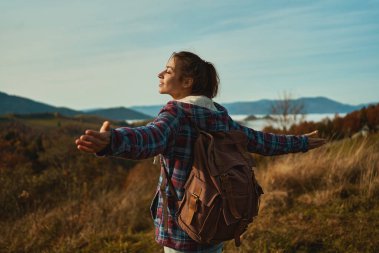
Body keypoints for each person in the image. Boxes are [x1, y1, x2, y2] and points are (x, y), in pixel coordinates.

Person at [75, 51, 326, 253]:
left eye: (168, 70)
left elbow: (151, 137)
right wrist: (301, 142)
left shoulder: (176, 113)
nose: (160, 73)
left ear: (187, 82)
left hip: (183, 229)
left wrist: (112, 141)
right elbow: (261, 141)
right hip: (217, 220)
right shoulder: (220, 116)